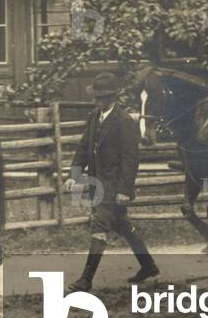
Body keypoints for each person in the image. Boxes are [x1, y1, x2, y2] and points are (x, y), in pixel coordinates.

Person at [63, 73, 155, 292]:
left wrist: (125, 190)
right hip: (98, 184)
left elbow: (130, 159)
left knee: (100, 225)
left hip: (114, 186)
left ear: (112, 98)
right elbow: (83, 148)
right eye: (96, 97)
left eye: (101, 97)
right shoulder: (94, 116)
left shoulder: (124, 121)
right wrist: (73, 175)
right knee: (122, 225)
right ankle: (149, 265)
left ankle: (86, 279)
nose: (97, 101)